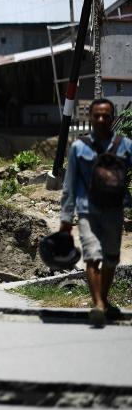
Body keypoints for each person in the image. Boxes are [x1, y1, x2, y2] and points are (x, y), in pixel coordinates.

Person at [59, 98, 132, 327]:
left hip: (114, 210)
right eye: (97, 115)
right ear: (90, 117)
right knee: (92, 256)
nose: (101, 119)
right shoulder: (78, 148)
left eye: (106, 116)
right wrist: (66, 219)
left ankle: (104, 299)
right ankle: (98, 304)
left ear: (112, 118)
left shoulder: (126, 145)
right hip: (86, 210)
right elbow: (69, 184)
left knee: (111, 259)